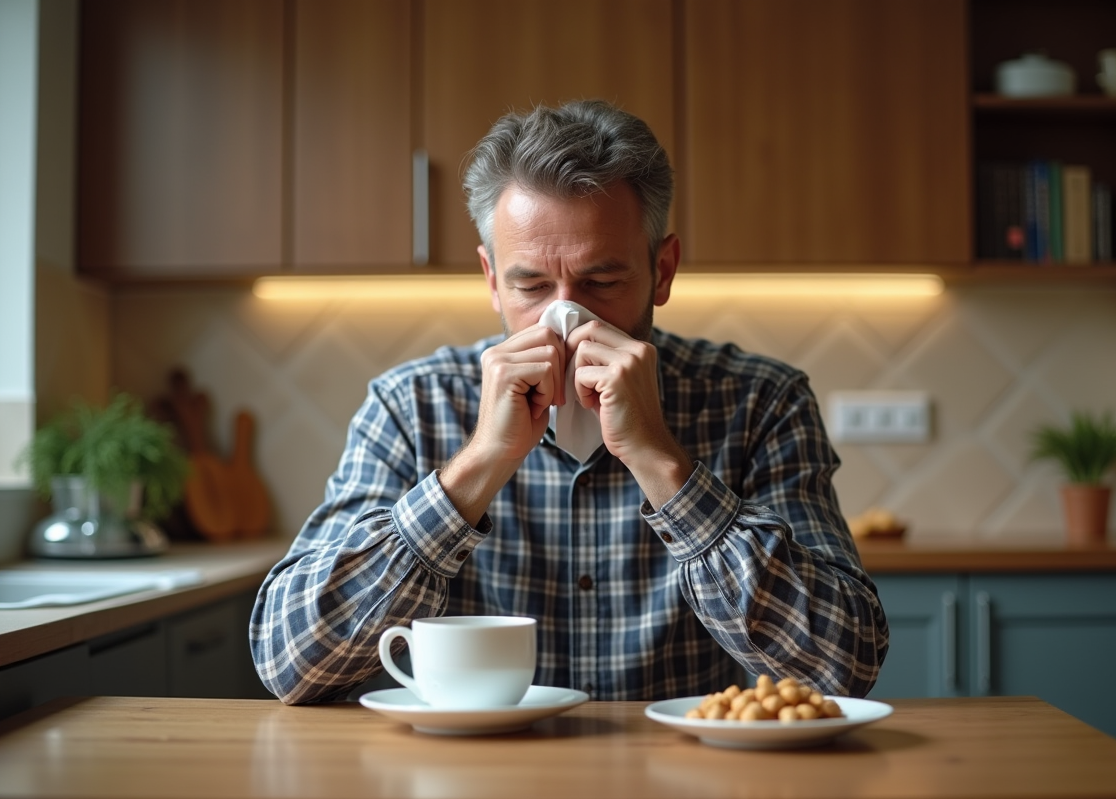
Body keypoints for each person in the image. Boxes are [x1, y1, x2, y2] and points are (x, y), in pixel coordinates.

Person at [250, 99, 888, 704]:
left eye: (601, 281)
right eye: (530, 284)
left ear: (662, 271)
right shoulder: (411, 405)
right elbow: (290, 664)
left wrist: (663, 464)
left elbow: (843, 666)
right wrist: (476, 469)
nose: (563, 316)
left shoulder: (760, 401)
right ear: (491, 280)